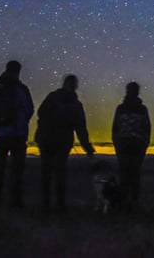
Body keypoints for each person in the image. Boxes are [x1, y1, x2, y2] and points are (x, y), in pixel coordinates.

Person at [34, 74, 95, 213]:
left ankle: (47, 205)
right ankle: (58, 206)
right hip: (58, 141)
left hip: (49, 140)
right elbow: (81, 127)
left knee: (48, 173)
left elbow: (40, 113)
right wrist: (88, 148)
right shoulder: (75, 104)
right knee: (58, 173)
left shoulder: (53, 98)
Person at [0, 60, 34, 208]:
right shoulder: (21, 89)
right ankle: (15, 204)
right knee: (16, 172)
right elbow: (29, 109)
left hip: (0, 134)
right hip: (17, 135)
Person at [111, 81, 151, 212]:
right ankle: (131, 203)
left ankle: (127, 203)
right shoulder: (141, 109)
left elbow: (115, 128)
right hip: (134, 145)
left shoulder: (121, 108)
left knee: (126, 175)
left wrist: (117, 142)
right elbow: (147, 128)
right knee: (133, 175)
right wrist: (145, 142)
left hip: (127, 145)